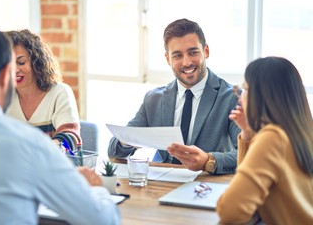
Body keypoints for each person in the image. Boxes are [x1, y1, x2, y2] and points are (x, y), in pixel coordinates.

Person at [0, 27, 120, 225]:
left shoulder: (55, 96)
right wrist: (97, 189)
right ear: (5, 73)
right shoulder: (30, 144)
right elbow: (103, 220)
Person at [108, 18, 240, 175]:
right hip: (160, 182)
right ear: (168, 59)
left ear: (206, 51)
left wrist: (208, 161)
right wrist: (129, 141)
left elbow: (249, 156)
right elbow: (114, 152)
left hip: (206, 184)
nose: (186, 62)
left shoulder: (231, 97)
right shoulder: (153, 99)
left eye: (193, 52)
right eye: (177, 55)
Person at [216, 56, 313, 224]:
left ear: (261, 96)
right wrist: (247, 134)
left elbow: (230, 211)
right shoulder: (300, 130)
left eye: (245, 89)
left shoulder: (273, 139)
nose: (240, 98)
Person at [5, 29, 81, 152]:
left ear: (37, 62)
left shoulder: (59, 93)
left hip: (52, 167)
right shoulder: (3, 97)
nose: (15, 70)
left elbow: (70, 139)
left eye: (21, 62)